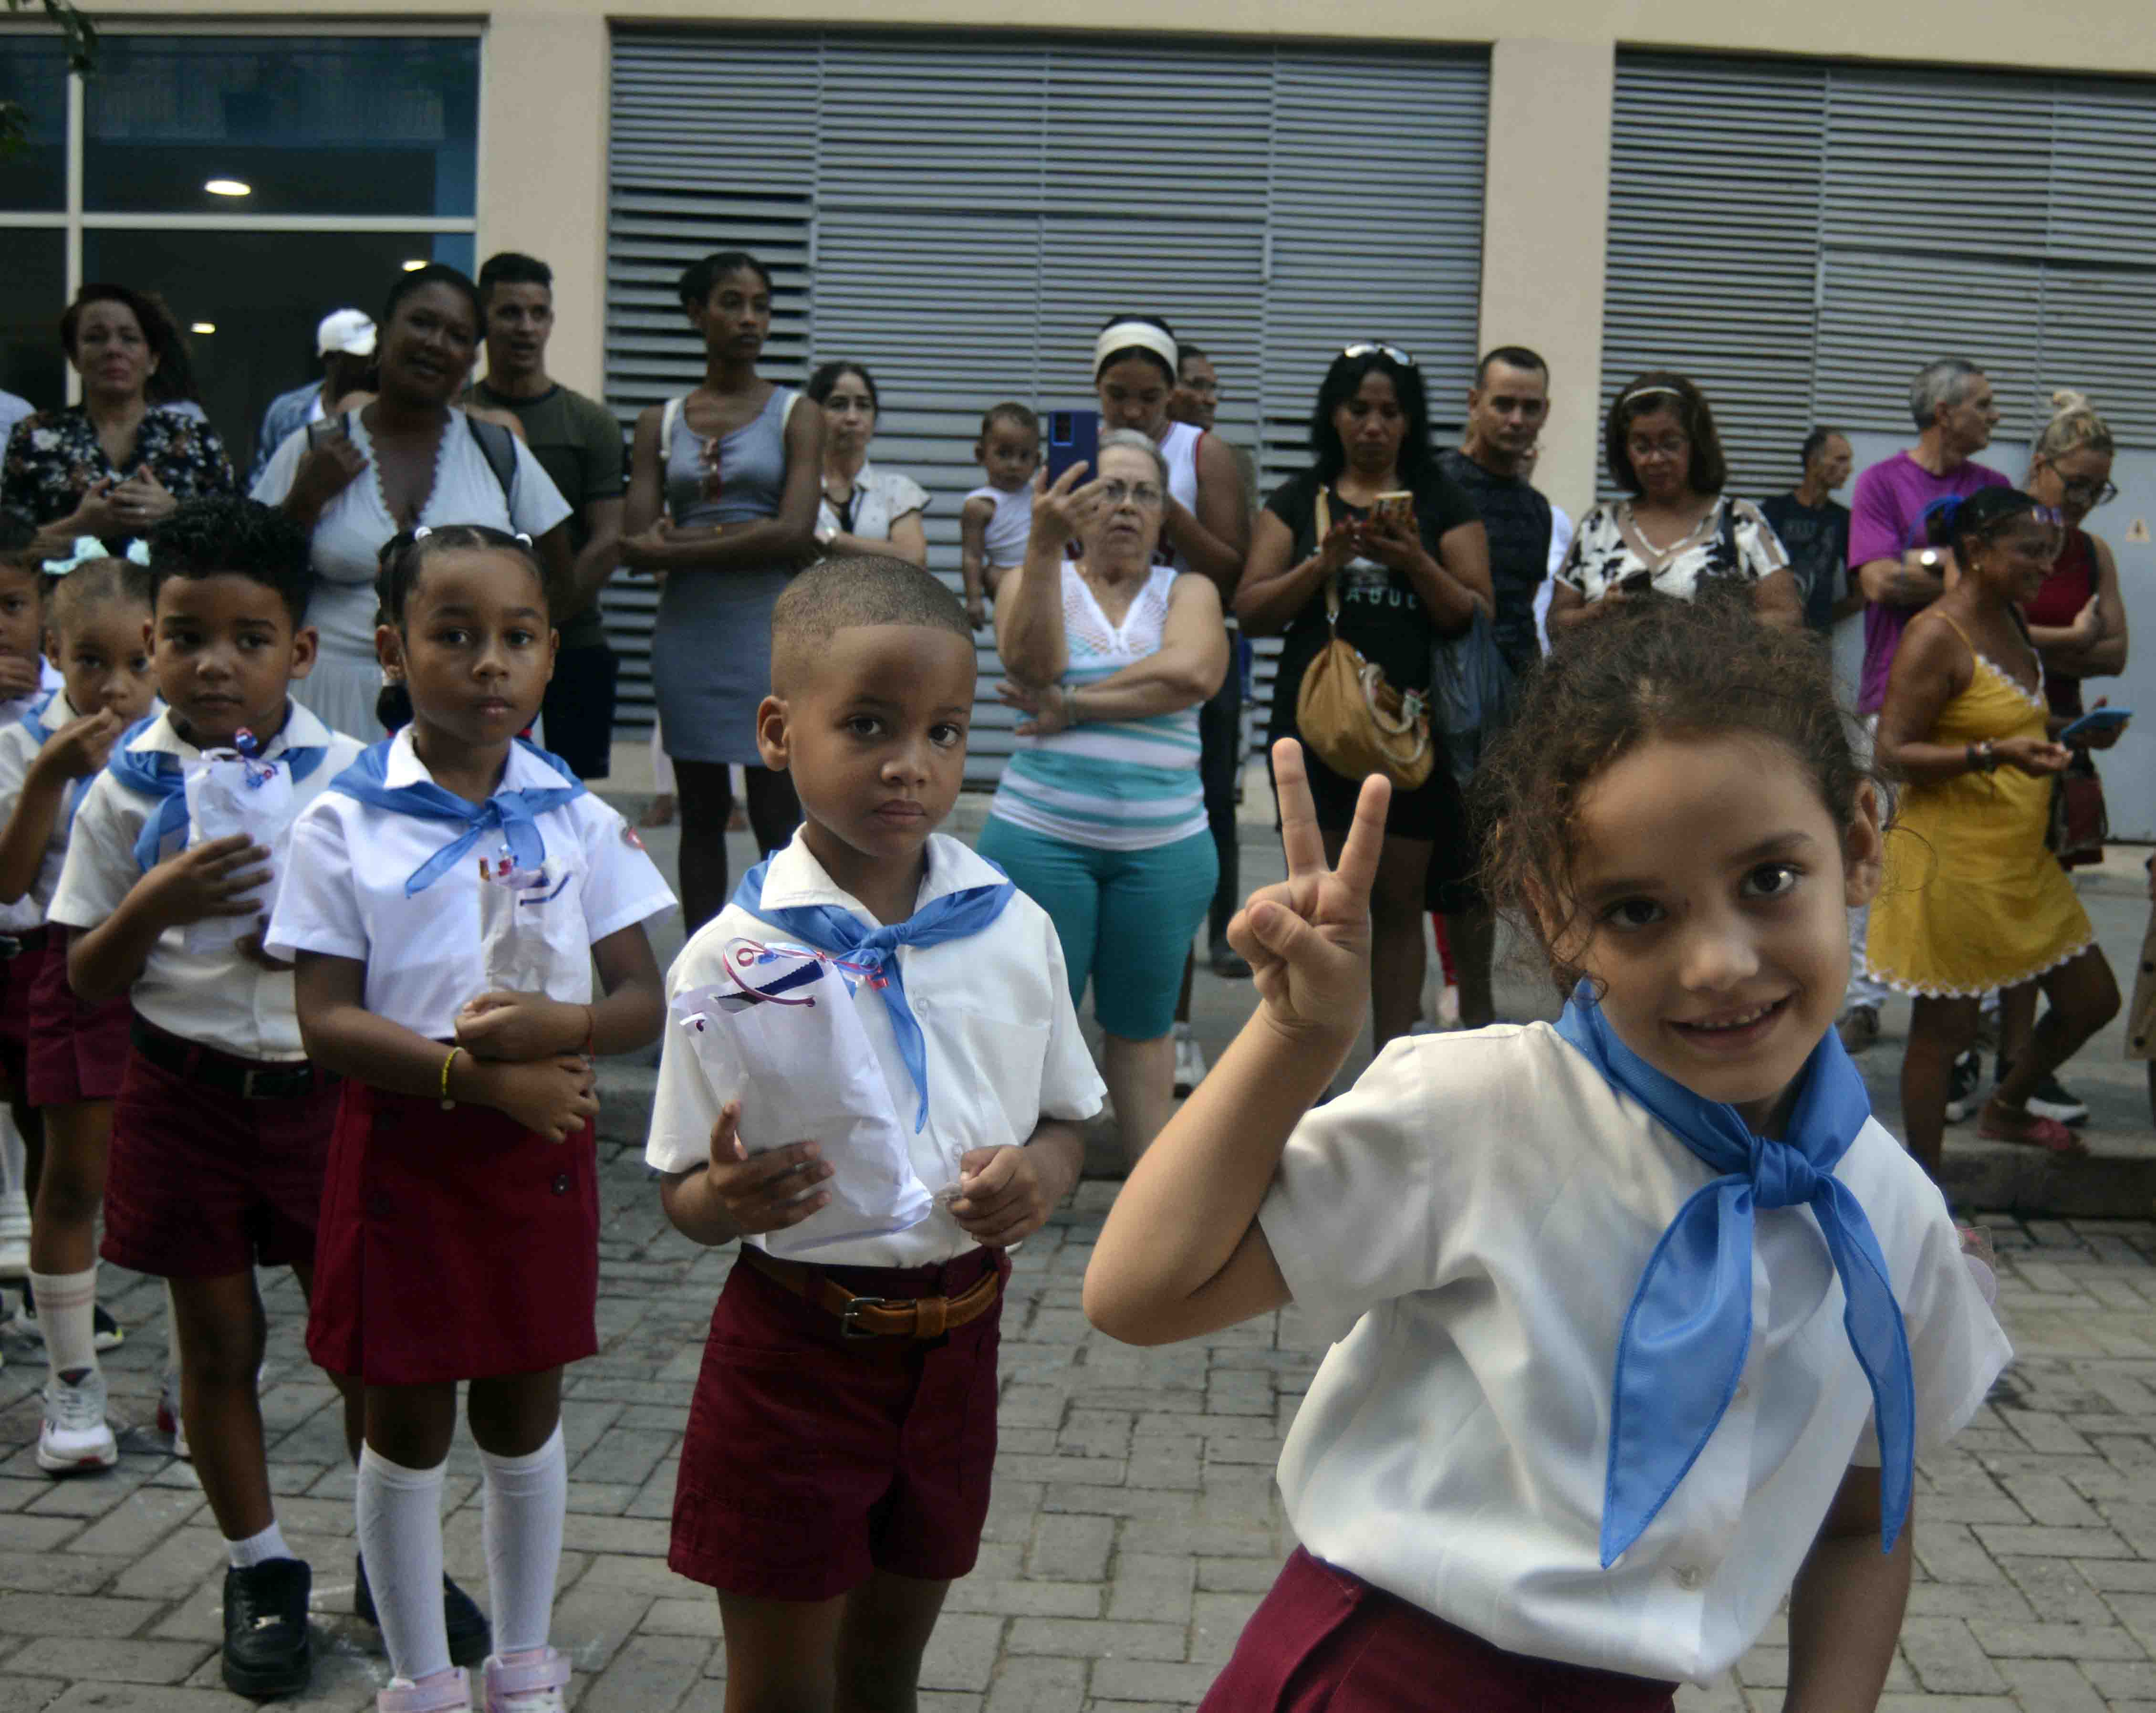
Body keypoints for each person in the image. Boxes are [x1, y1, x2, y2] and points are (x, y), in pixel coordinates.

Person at [1083, 597, 2010, 1713]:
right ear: (1550, 916)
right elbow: (1139, 1292)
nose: (1716, 960)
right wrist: (1294, 1039)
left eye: (1767, 879)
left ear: (1858, 843)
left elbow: (1864, 1517)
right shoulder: (1479, 1110)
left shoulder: (1891, 1214)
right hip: (1381, 1674)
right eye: (1634, 909)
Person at [647, 555, 1100, 1711]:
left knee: (886, 1671)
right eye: (866, 725)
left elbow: (1066, 1116)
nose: (910, 763)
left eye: (944, 731)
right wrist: (726, 1199)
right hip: (795, 1352)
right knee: (784, 1690)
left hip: (955, 1349)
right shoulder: (731, 956)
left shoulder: (1012, 926)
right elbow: (680, 1190)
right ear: (775, 729)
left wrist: (1039, 1173)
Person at [269, 525, 673, 1713]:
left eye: (516, 636)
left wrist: (559, 1026)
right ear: (394, 649)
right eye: (454, 636)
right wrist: (478, 1077)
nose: (488, 663)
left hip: (537, 1143)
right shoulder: (343, 820)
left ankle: (523, 1658)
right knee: (402, 1417)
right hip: (407, 1139)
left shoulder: (577, 818)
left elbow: (644, 997)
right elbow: (325, 1020)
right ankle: (421, 1673)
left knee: (524, 1406)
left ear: (551, 654)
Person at [48, 498, 373, 1698]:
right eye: (185, 635)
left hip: (322, 1094)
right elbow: (82, 968)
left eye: (248, 636)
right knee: (218, 1340)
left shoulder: (349, 782)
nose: (213, 663)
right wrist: (157, 902)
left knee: (361, 1344)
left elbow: (398, 945)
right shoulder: (126, 790)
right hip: (181, 1089)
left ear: (301, 649)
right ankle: (260, 1563)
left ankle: (386, 1558)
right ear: (150, 642)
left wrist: (324, 950)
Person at [1236, 342, 1491, 1052]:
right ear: (1334, 416)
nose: (1373, 425)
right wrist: (1326, 559)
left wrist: (1411, 557)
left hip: (1406, 734)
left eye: (1390, 411)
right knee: (1313, 898)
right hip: (1312, 730)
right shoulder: (1298, 499)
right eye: (1359, 410)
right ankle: (1300, 1050)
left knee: (1397, 900)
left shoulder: (1441, 501)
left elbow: (1474, 611)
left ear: (1410, 422)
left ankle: (1392, 1059)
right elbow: (1251, 610)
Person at [978, 438, 1228, 1162]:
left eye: (1144, 493)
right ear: (1078, 507)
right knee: (1028, 1020)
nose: (1125, 506)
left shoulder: (1188, 592)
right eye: (1109, 490)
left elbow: (1189, 674)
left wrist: (1074, 707)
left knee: (1142, 1025)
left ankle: (1148, 1198)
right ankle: (1010, 1186)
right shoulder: (1035, 578)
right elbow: (1031, 662)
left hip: (1164, 849)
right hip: (1040, 838)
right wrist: (1038, 545)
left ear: (1163, 514)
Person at [1864, 488, 2120, 1177]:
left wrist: (2069, 735)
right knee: (1941, 1031)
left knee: (2092, 999)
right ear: (1975, 553)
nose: (2045, 565)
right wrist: (1990, 755)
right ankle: (1925, 1191)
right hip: (1950, 860)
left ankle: (2005, 1107)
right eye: (2029, 551)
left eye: (2049, 551)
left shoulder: (2010, 617)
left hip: (2016, 859)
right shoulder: (1934, 634)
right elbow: (1889, 753)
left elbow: (2005, 725)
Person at [252, 265, 574, 744]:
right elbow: (249, 576)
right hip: (332, 700)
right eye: (422, 323)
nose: (435, 343)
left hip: (470, 702)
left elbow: (558, 581)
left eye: (457, 335)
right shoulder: (311, 449)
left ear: (471, 359)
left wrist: (502, 655)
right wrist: (306, 499)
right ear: (384, 335)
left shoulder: (499, 453)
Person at [0, 545, 155, 1474]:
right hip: (72, 970)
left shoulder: (184, 742)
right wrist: (51, 774)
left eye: (140, 661)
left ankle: (195, 1379)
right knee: (71, 1180)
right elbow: (12, 877)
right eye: (91, 662)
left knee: (179, 1183)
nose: (116, 685)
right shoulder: (27, 741)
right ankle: (73, 1384)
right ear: (55, 652)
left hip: (172, 983)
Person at [619, 250, 822, 933]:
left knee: (776, 812)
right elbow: (636, 539)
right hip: (688, 634)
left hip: (768, 629)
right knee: (698, 813)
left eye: (761, 305)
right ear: (695, 313)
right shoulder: (661, 420)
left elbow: (793, 532)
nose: (749, 319)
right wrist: (745, 532)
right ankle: (703, 978)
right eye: (731, 303)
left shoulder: (798, 412)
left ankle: (785, 966)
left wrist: (684, 546)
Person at [1836, 358, 2012, 1058]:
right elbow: (1878, 582)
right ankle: (1860, 1001)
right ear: (1943, 412)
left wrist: (1927, 568)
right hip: (1893, 693)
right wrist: (1962, 567)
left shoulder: (1995, 489)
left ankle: (1992, 1000)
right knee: (1872, 842)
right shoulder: (1882, 483)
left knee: (1981, 852)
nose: (1994, 418)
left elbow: (2005, 583)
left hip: (1979, 697)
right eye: (1984, 404)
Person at [1092, 317, 1250, 1090]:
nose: (1131, 412)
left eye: (1148, 398)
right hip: (1094, 649)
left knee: (1175, 835)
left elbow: (1233, 566)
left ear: (1173, 394)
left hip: (1185, 654)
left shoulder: (1200, 452)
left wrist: (1159, 500)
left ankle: (1174, 1026)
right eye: (1116, 397)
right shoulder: (1077, 447)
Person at [1992, 390, 2132, 1128]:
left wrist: (2061, 641)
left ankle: (2019, 1067)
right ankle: (1996, 1055)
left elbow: (2115, 650)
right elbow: (1974, 631)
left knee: (2043, 899)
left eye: (2096, 488)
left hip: (2066, 737)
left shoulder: (2089, 551)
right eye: (2073, 482)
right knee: (2011, 908)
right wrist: (2066, 639)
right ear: (2038, 466)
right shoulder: (2004, 534)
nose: (2083, 500)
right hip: (1998, 734)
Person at [468, 252, 629, 783]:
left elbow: (609, 541)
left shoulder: (591, 423)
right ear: (483, 319)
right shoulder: (455, 416)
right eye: (510, 312)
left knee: (570, 805)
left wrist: (537, 622)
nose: (526, 327)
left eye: (539, 313)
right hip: (471, 644)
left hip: (574, 645)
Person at [1437, 345, 1555, 1031]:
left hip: (1511, 699)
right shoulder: (1435, 485)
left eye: (1529, 406)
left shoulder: (1535, 509)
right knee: (1445, 873)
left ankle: (1481, 1016)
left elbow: (1523, 612)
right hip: (1436, 703)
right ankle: (1463, 1008)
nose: (1515, 418)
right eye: (1502, 402)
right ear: (1472, 402)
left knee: (1492, 871)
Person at [1550, 373, 1799, 633]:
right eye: (1642, 447)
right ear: (1624, 452)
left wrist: (1699, 624)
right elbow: (1556, 623)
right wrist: (1600, 612)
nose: (1656, 459)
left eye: (1670, 444)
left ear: (1696, 445)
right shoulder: (1599, 525)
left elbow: (1788, 619)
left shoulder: (1740, 522)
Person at [2, 284, 239, 557]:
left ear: (153, 359)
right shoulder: (34, 435)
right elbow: (7, 551)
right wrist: (79, 526)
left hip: (172, 599)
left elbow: (237, 544)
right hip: (65, 598)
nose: (113, 349)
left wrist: (175, 514)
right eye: (95, 338)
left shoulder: (196, 438)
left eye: (129, 338)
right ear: (75, 359)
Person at [806, 360, 928, 566]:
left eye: (863, 406)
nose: (852, 417)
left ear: (874, 418)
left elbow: (914, 558)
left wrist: (835, 540)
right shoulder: (796, 488)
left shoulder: (897, 490)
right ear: (814, 415)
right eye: (838, 405)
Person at [250, 310, 379, 486]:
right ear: (330, 358)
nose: (371, 364)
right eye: (360, 357)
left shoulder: (385, 410)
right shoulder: (287, 412)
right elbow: (263, 482)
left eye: (375, 354)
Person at [1760, 428, 1863, 637]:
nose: (1849, 469)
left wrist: (1817, 622)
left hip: (1815, 644)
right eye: (1841, 460)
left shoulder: (1844, 520)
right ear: (1814, 461)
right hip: (1771, 638)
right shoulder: (1773, 512)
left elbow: (1860, 596)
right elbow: (1747, 578)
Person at [959, 402, 1038, 628]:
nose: (1015, 465)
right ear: (981, 455)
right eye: (1004, 454)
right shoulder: (980, 505)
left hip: (1044, 573)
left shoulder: (1041, 493)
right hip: (1005, 573)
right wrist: (974, 600)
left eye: (1025, 456)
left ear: (1038, 460)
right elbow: (972, 556)